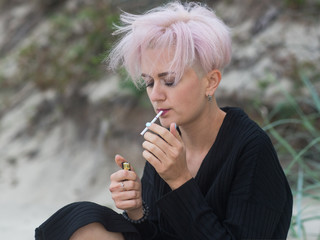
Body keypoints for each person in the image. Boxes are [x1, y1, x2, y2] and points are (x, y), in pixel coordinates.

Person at [35, 1, 293, 240]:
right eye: (149, 82)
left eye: (170, 80)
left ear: (210, 82)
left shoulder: (251, 149)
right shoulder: (167, 141)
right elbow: (156, 233)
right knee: (83, 221)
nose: (156, 95)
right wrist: (137, 210)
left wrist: (180, 181)